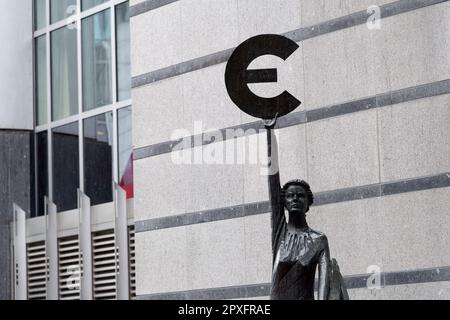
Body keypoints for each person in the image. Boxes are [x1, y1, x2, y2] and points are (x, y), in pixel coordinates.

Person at [263, 117, 348, 300]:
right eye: (290, 195)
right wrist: (270, 133)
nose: (295, 199)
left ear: (308, 202)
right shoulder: (280, 233)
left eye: (300, 195)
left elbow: (324, 284)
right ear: (283, 202)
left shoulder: (319, 240)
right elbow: (272, 178)